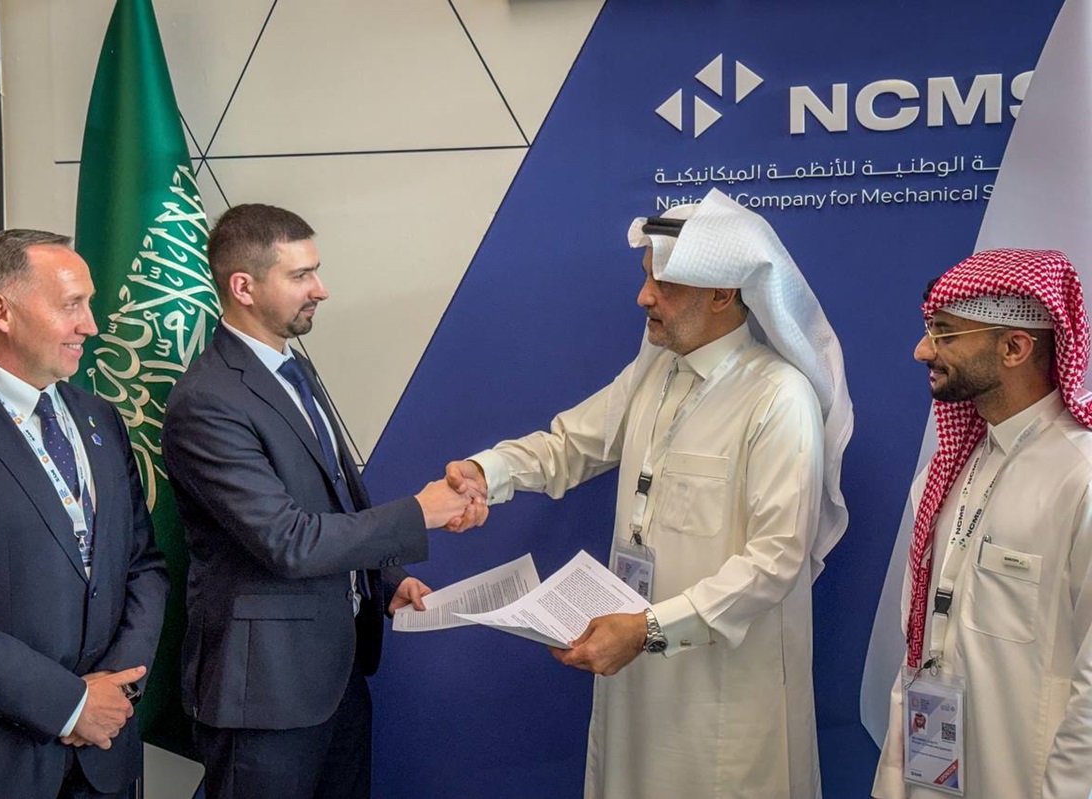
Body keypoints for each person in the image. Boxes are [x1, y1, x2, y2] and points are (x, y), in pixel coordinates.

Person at [446, 189, 852, 799]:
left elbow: (776, 561)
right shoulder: (655, 371)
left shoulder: (777, 397)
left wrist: (648, 628)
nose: (643, 297)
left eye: (664, 284)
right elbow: (569, 445)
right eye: (646, 278)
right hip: (632, 668)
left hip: (718, 690)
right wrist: (485, 472)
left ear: (722, 293)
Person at [163, 203, 478, 799]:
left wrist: (383, 581)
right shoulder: (206, 402)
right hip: (266, 694)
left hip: (337, 676)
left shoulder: (294, 370)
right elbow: (287, 541)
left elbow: (332, 502)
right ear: (243, 288)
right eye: (301, 275)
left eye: (316, 270)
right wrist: (422, 512)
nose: (321, 289)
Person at [0, 229, 169, 798]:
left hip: (106, 752)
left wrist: (118, 691)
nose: (91, 325)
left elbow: (142, 565)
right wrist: (72, 705)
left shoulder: (101, 418)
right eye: (72, 304)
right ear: (2, 311)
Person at [872, 249, 1092, 799]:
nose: (923, 350)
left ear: (1014, 347)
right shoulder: (950, 468)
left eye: (945, 334)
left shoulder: (1081, 476)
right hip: (931, 769)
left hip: (1026, 777)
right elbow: (923, 640)